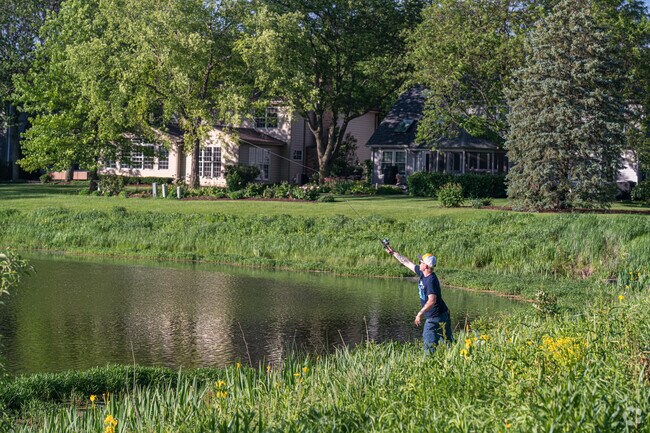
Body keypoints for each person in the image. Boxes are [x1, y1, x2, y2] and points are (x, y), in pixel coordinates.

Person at [385, 245, 453, 352]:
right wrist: (393, 252)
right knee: (448, 343)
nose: (419, 263)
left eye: (421, 262)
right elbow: (406, 262)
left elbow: (432, 300)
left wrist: (420, 313)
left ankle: (429, 365)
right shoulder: (423, 273)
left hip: (435, 318)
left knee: (429, 346)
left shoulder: (430, 280)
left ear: (426, 266)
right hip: (442, 314)